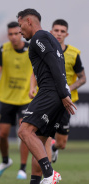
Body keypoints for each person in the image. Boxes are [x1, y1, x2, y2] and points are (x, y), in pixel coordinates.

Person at [17, 9, 77, 184]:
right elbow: (58, 64)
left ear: (29, 21)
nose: (20, 31)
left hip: (50, 92)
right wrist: (64, 93)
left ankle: (50, 175)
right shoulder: (52, 40)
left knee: (24, 131)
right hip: (58, 94)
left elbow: (52, 62)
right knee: (39, 143)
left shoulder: (38, 38)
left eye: (20, 25)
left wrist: (63, 93)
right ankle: (36, 181)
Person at [0, 21, 32, 179]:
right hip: (6, 98)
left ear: (21, 34)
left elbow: (36, 71)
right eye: (10, 34)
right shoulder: (3, 49)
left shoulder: (30, 49)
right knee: (2, 134)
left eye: (16, 33)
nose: (13, 37)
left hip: (25, 98)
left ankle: (22, 168)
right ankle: (5, 161)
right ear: (8, 35)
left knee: (24, 133)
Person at [50, 19, 86, 163]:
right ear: (51, 31)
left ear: (67, 34)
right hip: (47, 99)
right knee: (42, 136)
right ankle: (44, 174)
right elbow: (34, 72)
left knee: (61, 144)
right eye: (56, 30)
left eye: (62, 31)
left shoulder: (73, 53)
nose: (59, 34)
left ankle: (54, 148)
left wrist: (68, 88)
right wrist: (33, 87)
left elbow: (83, 78)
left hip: (66, 102)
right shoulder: (45, 50)